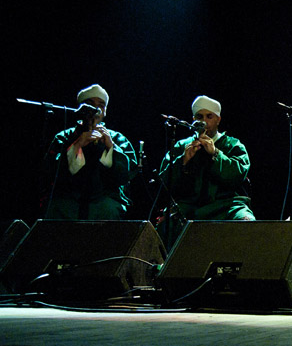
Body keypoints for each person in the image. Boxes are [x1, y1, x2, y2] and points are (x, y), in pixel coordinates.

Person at [158, 95, 254, 247]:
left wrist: (215, 154)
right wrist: (182, 162)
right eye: (199, 116)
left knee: (247, 222)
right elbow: (165, 182)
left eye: (209, 116)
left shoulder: (232, 145)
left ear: (218, 120)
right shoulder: (181, 146)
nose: (204, 121)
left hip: (226, 205)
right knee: (166, 226)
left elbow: (236, 175)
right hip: (190, 206)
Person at [41, 84, 137, 220]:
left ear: (105, 111)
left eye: (101, 105)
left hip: (104, 200)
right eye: (90, 104)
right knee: (56, 208)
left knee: (109, 210)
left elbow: (125, 175)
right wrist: (77, 143)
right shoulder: (64, 137)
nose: (95, 109)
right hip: (68, 199)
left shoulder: (117, 138)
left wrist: (111, 146)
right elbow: (51, 173)